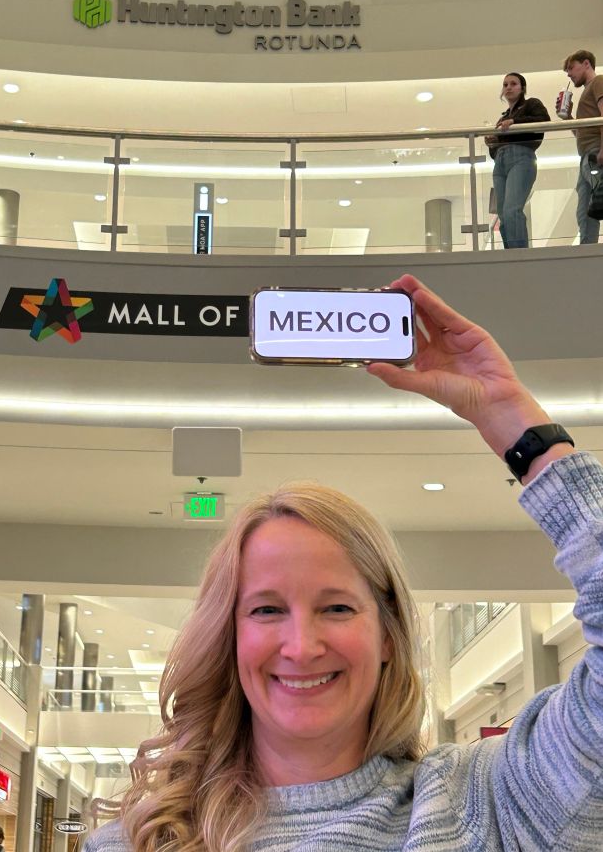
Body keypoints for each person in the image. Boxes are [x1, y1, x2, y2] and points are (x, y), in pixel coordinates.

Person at [83, 274, 603, 852]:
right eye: (265, 609)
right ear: (227, 636)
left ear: (387, 634)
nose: (302, 646)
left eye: (336, 607)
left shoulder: (486, 804)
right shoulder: (134, 842)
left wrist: (512, 419)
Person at [484, 72, 549, 248]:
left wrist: (514, 122)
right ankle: (511, 253)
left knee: (512, 210)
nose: (509, 87)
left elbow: (544, 121)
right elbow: (494, 153)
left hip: (521, 157)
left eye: (513, 84)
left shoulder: (531, 104)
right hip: (500, 162)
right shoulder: (503, 117)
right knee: (503, 214)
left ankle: (520, 255)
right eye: (505, 85)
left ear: (522, 88)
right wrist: (492, 143)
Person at [556, 49, 603, 244]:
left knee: (595, 204)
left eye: (571, 68)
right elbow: (581, 133)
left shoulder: (598, 82)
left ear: (586, 63)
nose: (568, 74)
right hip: (586, 154)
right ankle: (588, 250)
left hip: (595, 151)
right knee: (586, 211)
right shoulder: (587, 91)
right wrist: (568, 118)